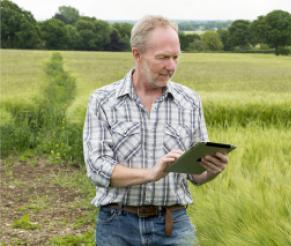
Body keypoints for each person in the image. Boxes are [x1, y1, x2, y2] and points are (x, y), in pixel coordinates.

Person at [83, 15, 229, 245]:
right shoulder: (103, 101)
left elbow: (196, 175)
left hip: (174, 224)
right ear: (137, 55)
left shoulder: (189, 101)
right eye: (162, 57)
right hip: (116, 224)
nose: (171, 66)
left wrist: (213, 169)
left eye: (175, 57)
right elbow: (97, 169)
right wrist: (151, 174)